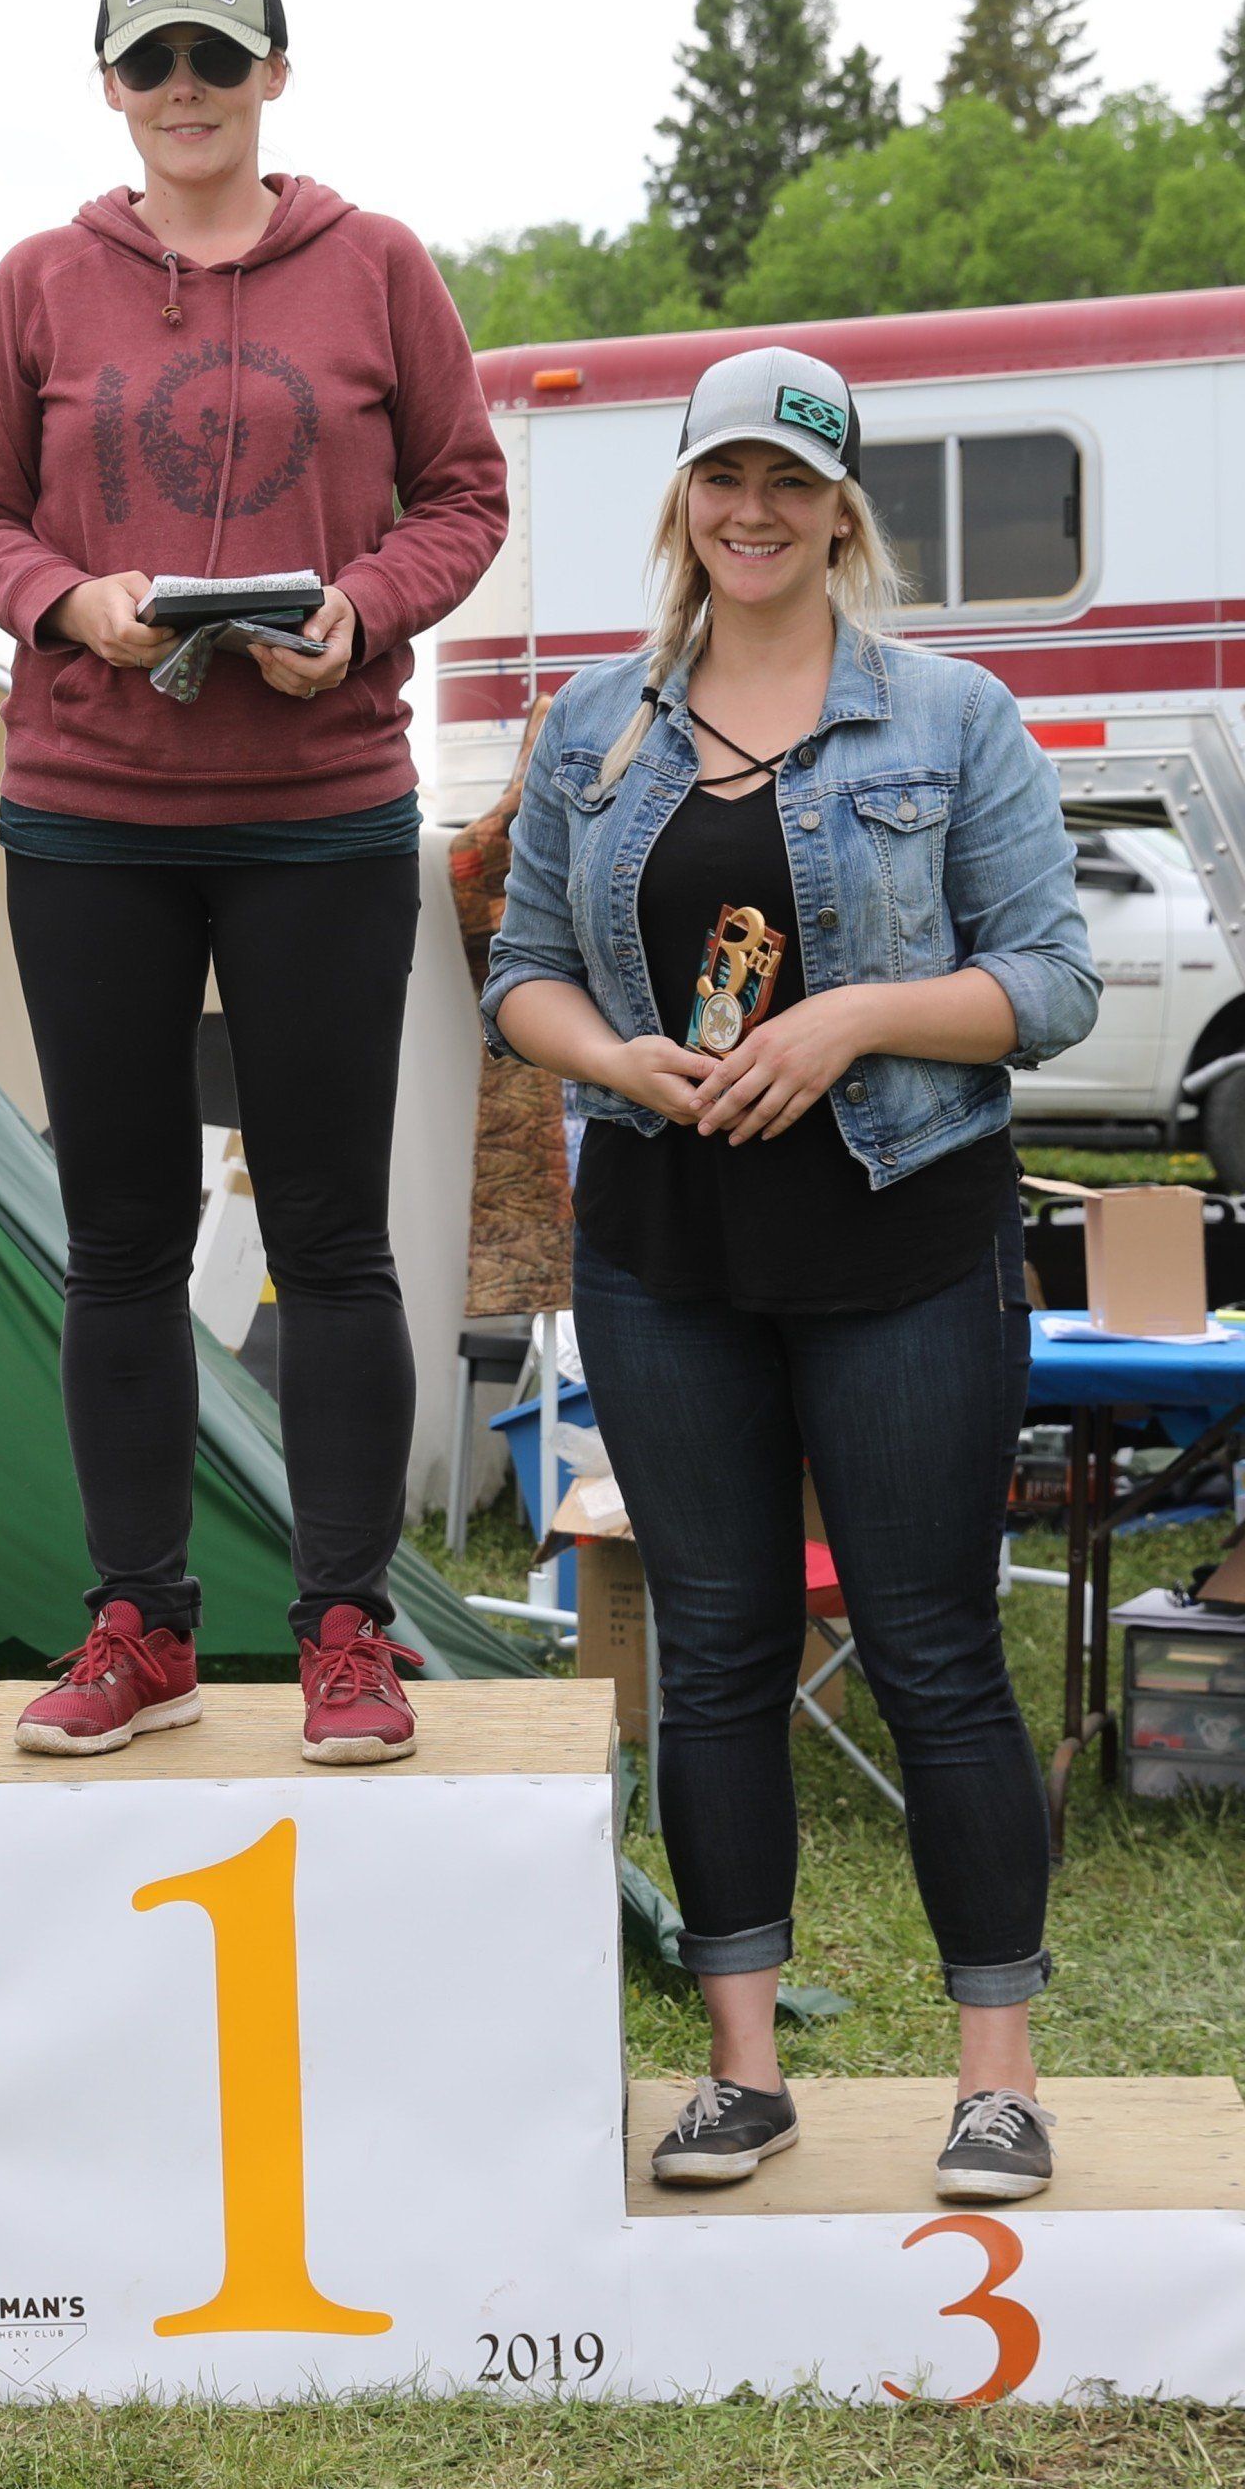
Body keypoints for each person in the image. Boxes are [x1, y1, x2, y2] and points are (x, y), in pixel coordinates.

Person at [484, 346, 1099, 2203]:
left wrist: (847, 1022)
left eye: (790, 482)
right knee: (719, 1656)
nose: (752, 513)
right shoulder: (593, 724)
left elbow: (1052, 983)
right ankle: (741, 2072)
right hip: (667, 1255)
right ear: (682, 501)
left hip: (908, 1239)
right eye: (720, 481)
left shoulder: (951, 717)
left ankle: (997, 2078)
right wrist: (614, 1062)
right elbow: (521, 967)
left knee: (931, 1657)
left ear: (844, 509)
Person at [0, 0, 508, 1765]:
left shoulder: (381, 267)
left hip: (323, 813)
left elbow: (464, 495)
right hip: (94, 815)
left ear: (275, 72)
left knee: (334, 1239)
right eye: (149, 64)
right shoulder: (39, 280)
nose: (182, 92)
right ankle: (142, 1624)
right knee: (121, 1238)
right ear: (111, 87)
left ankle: (344, 1623)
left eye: (214, 58)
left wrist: (360, 610)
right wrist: (70, 605)